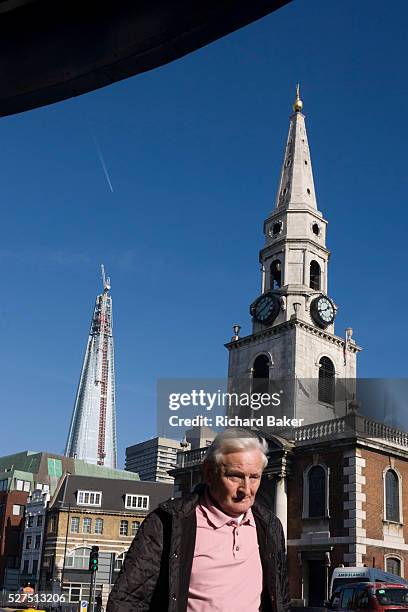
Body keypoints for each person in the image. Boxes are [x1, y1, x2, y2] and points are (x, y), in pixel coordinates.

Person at [107, 429, 290, 612]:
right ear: (209, 473)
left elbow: (281, 598)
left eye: (254, 477)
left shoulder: (270, 526)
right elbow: (127, 601)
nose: (246, 489)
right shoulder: (167, 523)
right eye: (235, 476)